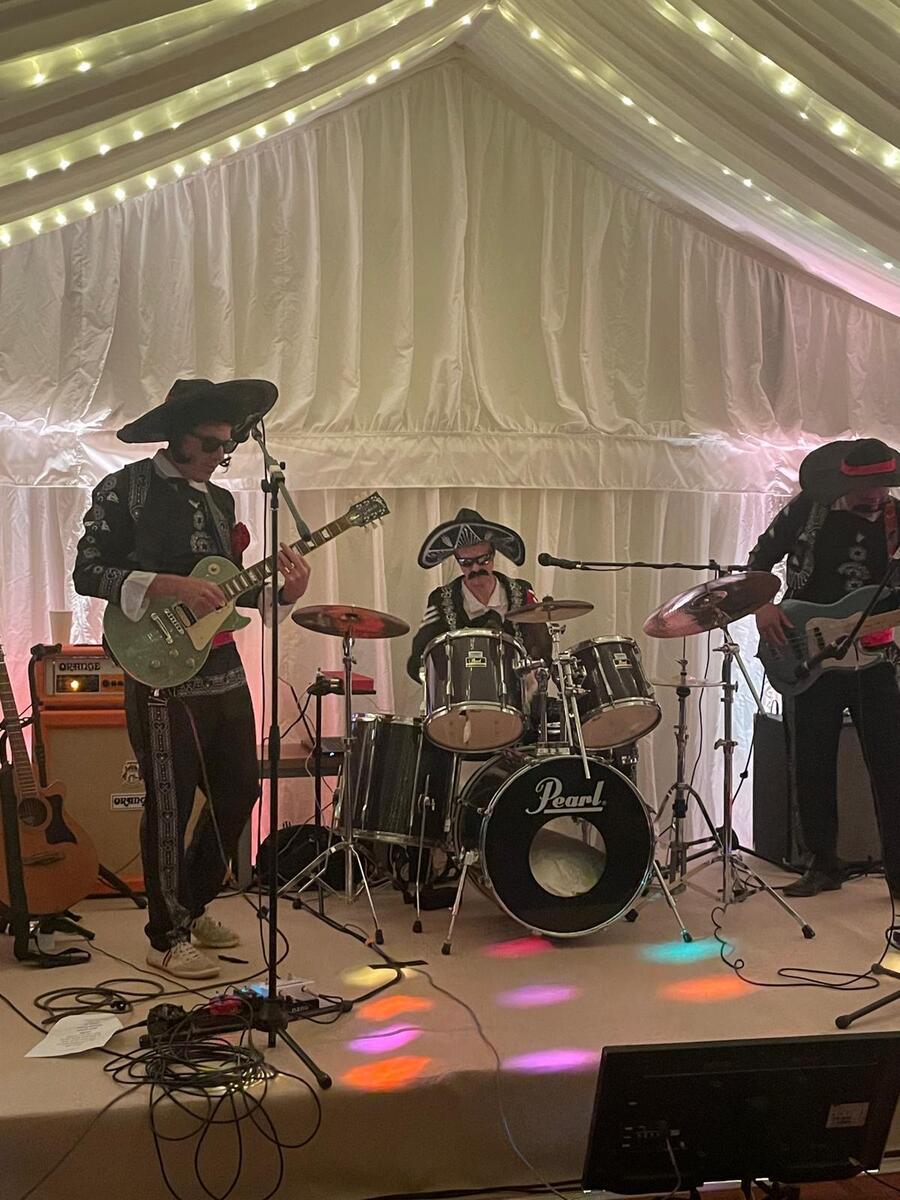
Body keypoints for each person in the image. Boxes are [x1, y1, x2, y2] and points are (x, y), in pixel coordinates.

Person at [73, 378, 311, 978]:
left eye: (227, 447)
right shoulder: (124, 489)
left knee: (240, 790)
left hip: (221, 663)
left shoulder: (222, 502)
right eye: (209, 445)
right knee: (170, 802)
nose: (218, 456)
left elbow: (228, 590)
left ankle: (193, 904)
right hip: (156, 666)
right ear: (178, 436)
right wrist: (168, 585)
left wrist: (286, 592)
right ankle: (165, 934)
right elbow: (87, 571)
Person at [746, 438, 900, 905]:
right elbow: (759, 559)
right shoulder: (807, 509)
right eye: (868, 487)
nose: (876, 495)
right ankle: (822, 864)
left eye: (883, 486)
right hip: (806, 656)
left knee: (891, 765)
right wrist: (762, 606)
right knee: (810, 763)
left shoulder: (896, 519)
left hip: (873, 658)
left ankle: (898, 872)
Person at [407, 508, 551, 682]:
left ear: (493, 554)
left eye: (483, 560)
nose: (475, 568)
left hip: (517, 693)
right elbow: (419, 660)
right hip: (463, 695)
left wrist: (531, 680)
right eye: (466, 563)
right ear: (457, 560)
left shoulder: (521, 592)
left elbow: (543, 651)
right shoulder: (441, 600)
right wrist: (440, 685)